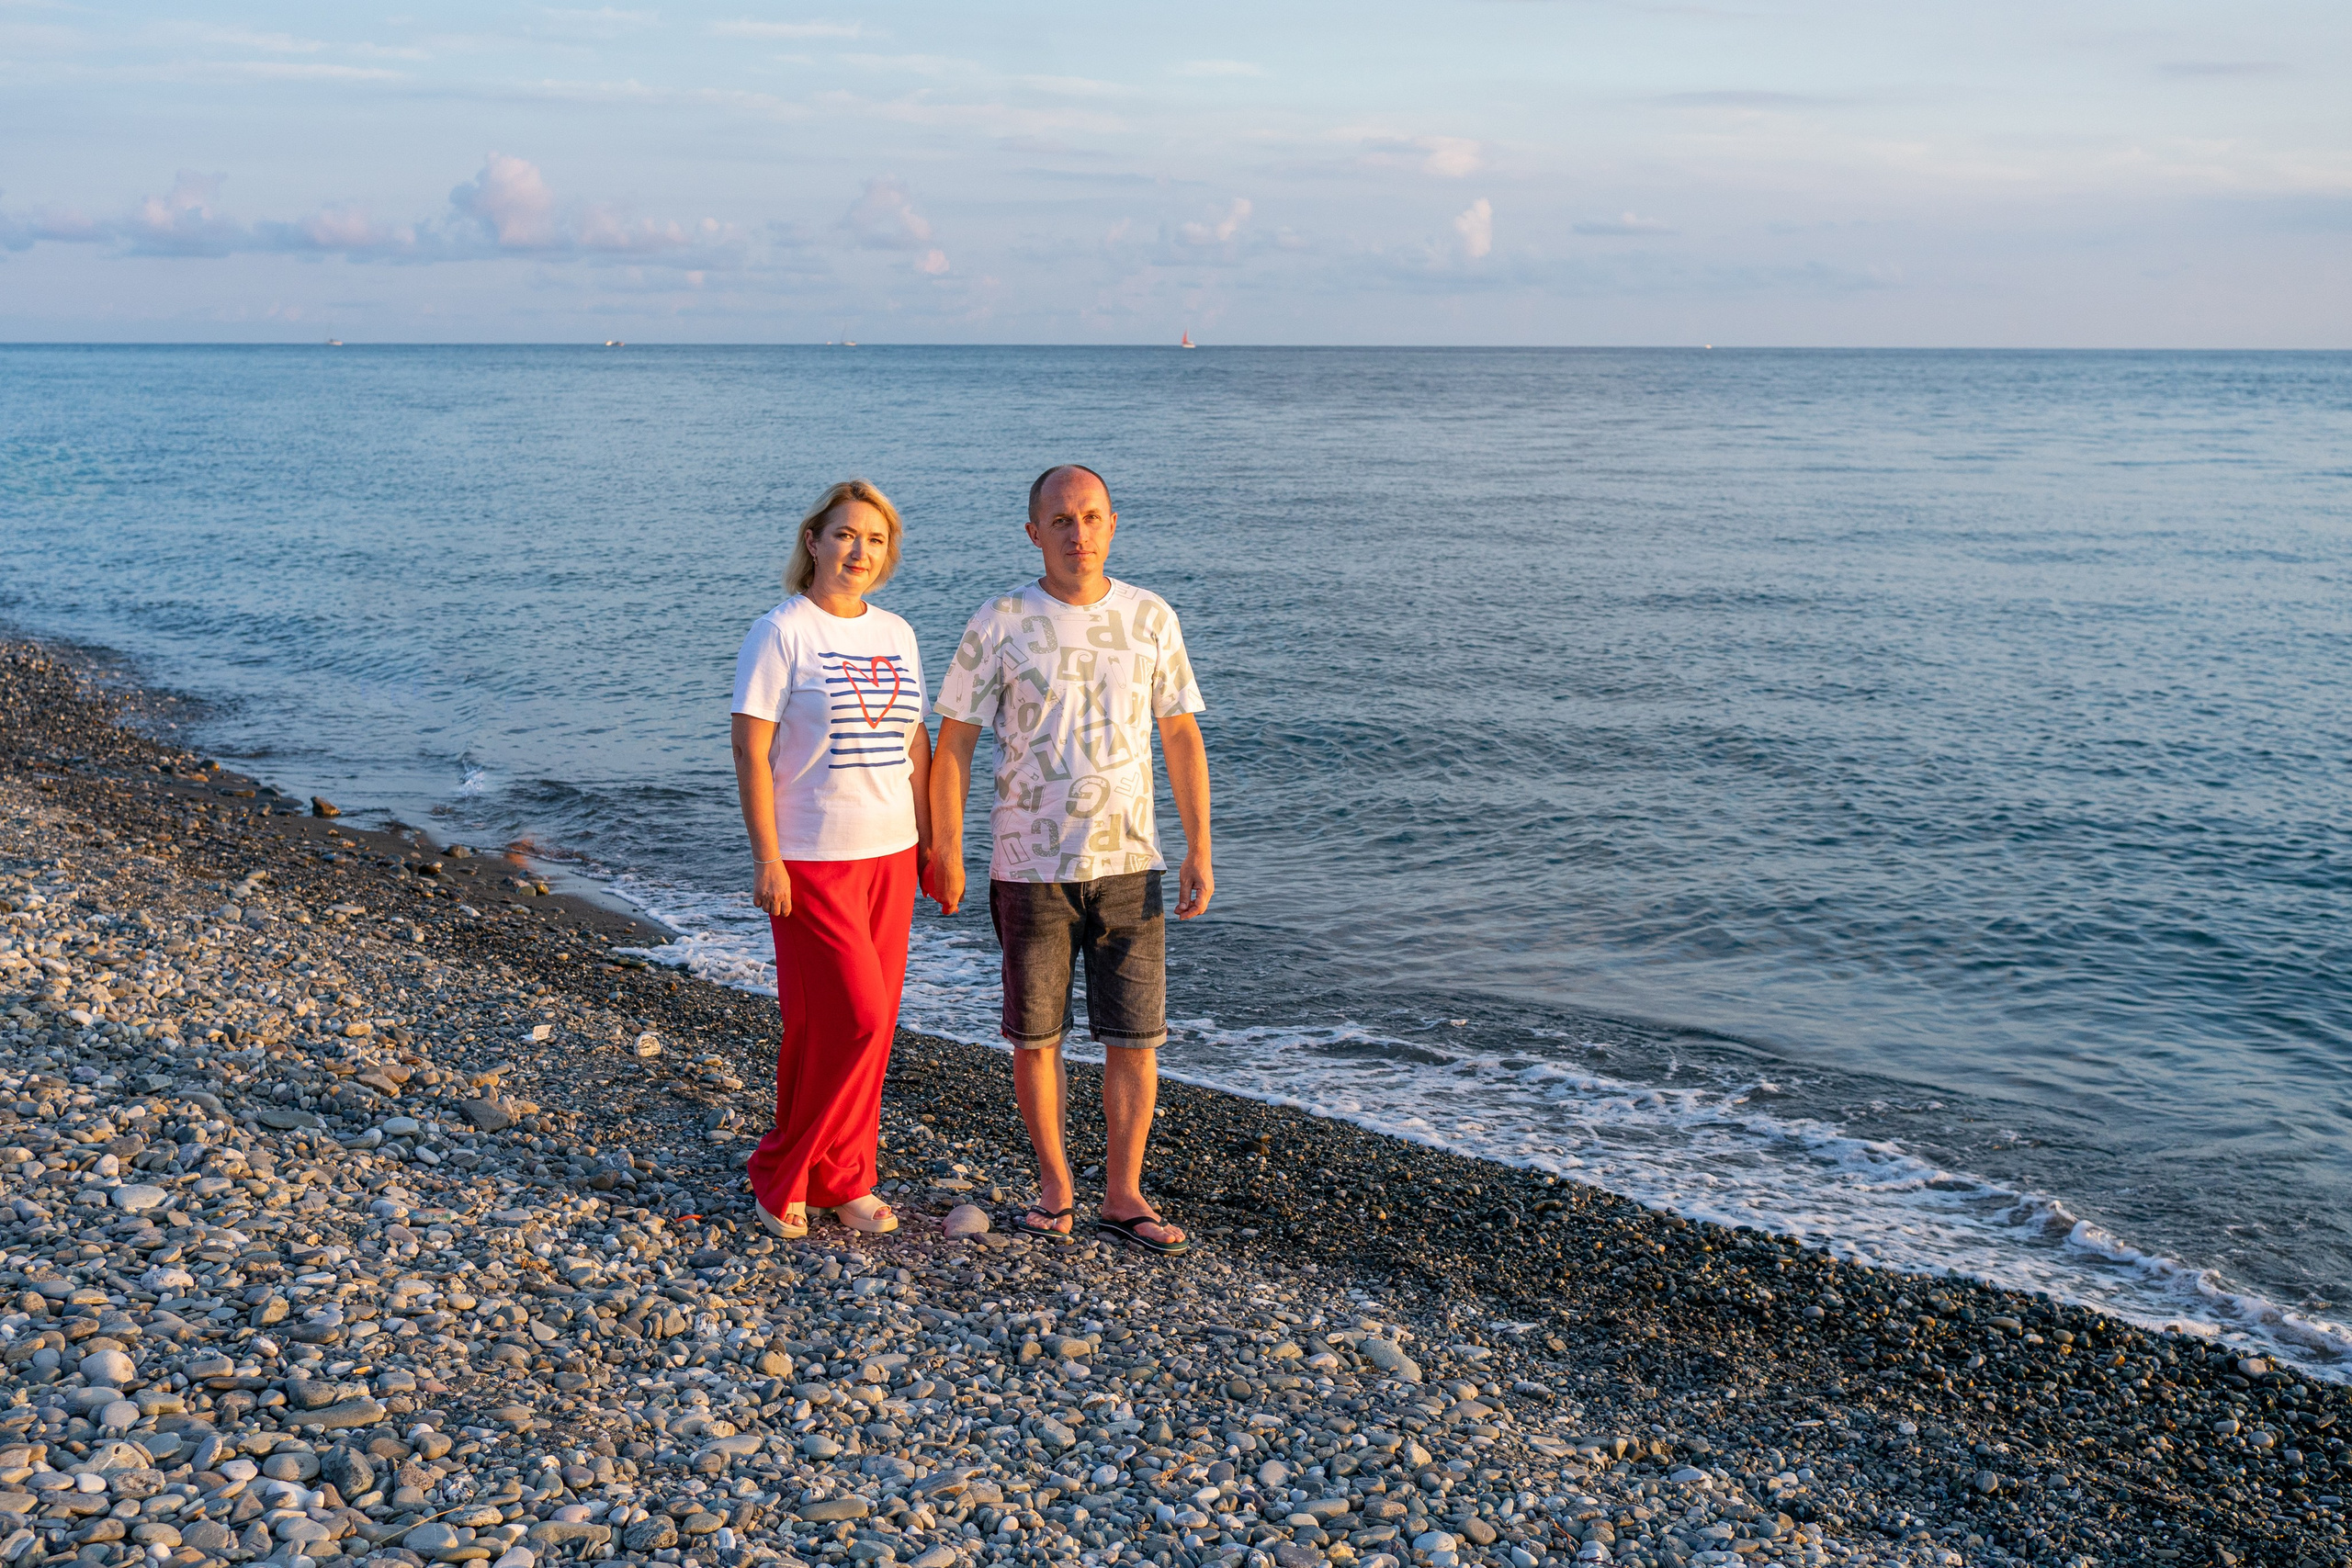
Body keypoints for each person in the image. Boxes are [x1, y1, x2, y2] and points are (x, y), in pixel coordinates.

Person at [927, 463, 1212, 1256]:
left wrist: (1200, 848)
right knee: (1036, 1037)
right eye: (1060, 519)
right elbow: (953, 744)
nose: (1077, 532)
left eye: (1090, 516)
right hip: (1027, 865)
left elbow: (1181, 734)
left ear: (1112, 524)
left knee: (1135, 1037)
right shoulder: (1001, 619)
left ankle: (1125, 1194)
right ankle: (1056, 1188)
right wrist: (944, 849)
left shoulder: (1151, 616)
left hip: (1130, 863)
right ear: (1034, 532)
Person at [730, 479, 931, 1240]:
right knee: (849, 1018)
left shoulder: (898, 633)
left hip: (891, 852)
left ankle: (845, 1175)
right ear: (815, 540)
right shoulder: (782, 631)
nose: (860, 551)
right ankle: (781, 1168)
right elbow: (750, 749)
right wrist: (767, 857)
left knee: (870, 1031)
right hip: (812, 857)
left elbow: (916, 742)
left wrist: (937, 843)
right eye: (846, 534)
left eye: (875, 540)